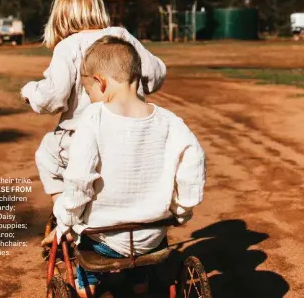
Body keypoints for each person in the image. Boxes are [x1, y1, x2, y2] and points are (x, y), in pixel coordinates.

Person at [49, 36, 205, 298]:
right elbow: (194, 162)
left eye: (89, 93)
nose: (92, 98)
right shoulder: (170, 120)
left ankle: (87, 285)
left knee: (82, 237)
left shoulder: (94, 118)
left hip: (103, 240)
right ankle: (139, 284)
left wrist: (67, 219)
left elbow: (79, 180)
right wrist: (181, 210)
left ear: (100, 82)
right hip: (152, 236)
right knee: (145, 253)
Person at [21, 0, 167, 201]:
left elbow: (53, 96)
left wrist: (30, 91)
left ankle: (63, 215)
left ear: (60, 17)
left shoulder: (68, 46)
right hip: (129, 133)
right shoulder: (121, 36)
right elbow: (155, 75)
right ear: (98, 9)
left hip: (79, 140)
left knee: (47, 155)